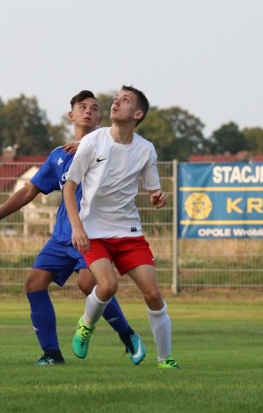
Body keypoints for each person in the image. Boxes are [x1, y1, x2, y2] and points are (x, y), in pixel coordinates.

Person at [0, 90, 145, 366]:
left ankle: (127, 335)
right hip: (62, 236)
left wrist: (91, 147)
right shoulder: (59, 156)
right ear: (72, 115)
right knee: (34, 284)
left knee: (89, 283)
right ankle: (52, 354)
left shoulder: (111, 147)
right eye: (82, 107)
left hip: (92, 234)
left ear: (102, 117)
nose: (88, 111)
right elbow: (29, 190)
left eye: (94, 108)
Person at [64, 85, 179, 370]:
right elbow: (69, 187)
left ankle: (165, 359)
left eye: (124, 101)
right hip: (94, 233)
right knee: (108, 285)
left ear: (137, 114)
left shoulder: (145, 149)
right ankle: (86, 325)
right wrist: (77, 227)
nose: (115, 104)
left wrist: (157, 197)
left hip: (128, 233)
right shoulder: (93, 142)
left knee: (153, 294)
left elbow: (154, 192)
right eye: (115, 100)